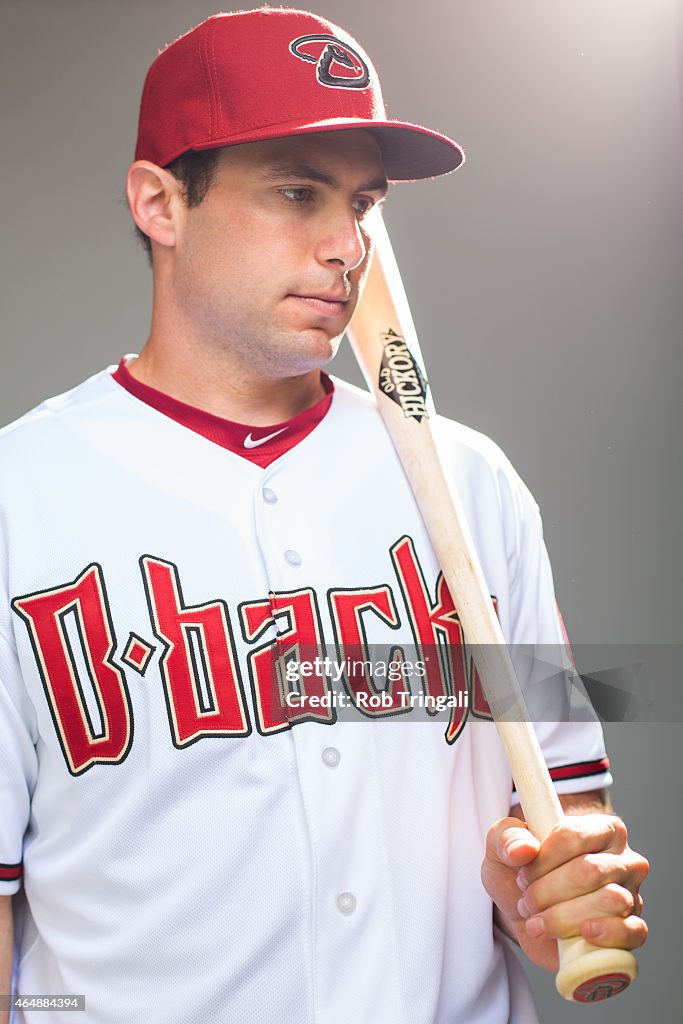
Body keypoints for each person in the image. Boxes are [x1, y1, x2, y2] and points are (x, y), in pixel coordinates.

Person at [0, 8, 647, 1023]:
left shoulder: (472, 484)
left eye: (363, 202)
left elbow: (559, 807)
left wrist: (548, 885)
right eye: (296, 192)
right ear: (158, 202)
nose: (347, 245)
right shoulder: (20, 498)